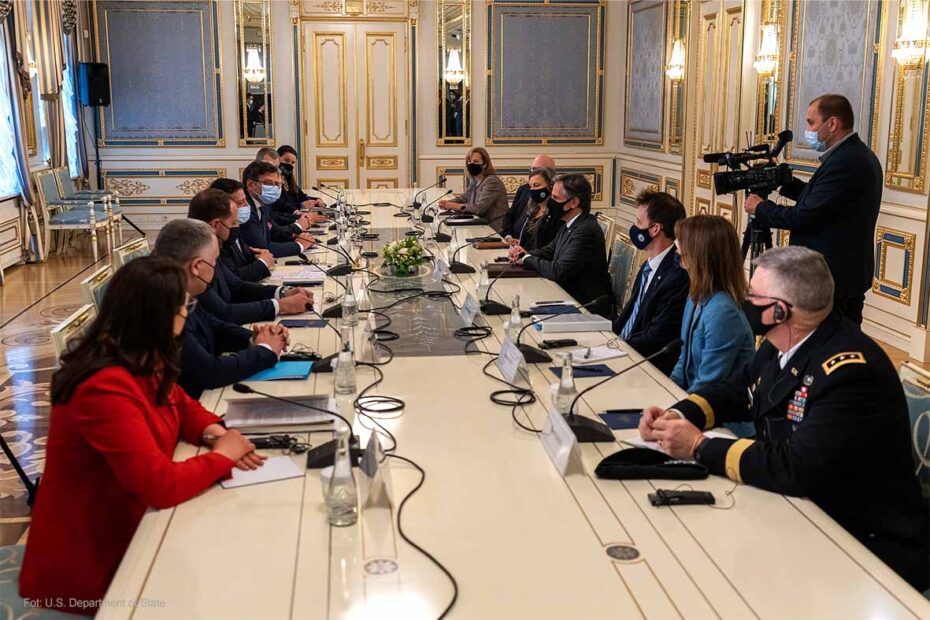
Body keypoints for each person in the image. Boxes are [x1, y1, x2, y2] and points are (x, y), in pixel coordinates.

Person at [642, 246, 929, 590]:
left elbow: (797, 467)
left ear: (779, 311)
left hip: (862, 542)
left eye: (753, 295)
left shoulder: (849, 372)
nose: (745, 300)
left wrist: (699, 447)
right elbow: (737, 390)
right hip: (799, 511)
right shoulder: (785, 340)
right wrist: (677, 414)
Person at [19, 257, 263, 614]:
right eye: (184, 306)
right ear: (160, 317)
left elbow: (182, 406)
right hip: (91, 564)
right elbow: (159, 485)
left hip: (130, 527)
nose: (187, 313)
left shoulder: (142, 356)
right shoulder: (102, 387)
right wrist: (223, 455)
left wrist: (213, 432)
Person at [744, 94, 882, 326]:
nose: (808, 130)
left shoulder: (845, 162)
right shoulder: (856, 154)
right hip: (843, 274)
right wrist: (784, 181)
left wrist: (761, 208)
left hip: (832, 278)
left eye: (811, 123)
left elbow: (804, 216)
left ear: (832, 123)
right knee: (840, 337)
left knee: (828, 339)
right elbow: (825, 202)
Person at [153, 219, 285, 398]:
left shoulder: (180, 288)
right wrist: (265, 350)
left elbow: (213, 326)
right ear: (196, 266)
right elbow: (209, 371)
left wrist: (255, 338)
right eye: (214, 262)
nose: (216, 269)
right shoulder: (161, 305)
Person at [188, 188, 313, 324]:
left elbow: (236, 286)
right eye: (234, 223)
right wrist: (280, 306)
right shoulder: (193, 260)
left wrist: (283, 292)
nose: (237, 227)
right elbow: (223, 313)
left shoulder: (210, 248)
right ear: (216, 225)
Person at [670, 215, 754, 393]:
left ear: (700, 254)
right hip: (690, 400)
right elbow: (684, 361)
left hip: (716, 407)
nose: (677, 251)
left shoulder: (723, 311)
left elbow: (708, 384)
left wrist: (674, 407)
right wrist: (666, 391)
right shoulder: (695, 296)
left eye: (682, 246)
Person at [509, 174, 613, 317]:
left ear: (573, 202)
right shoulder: (569, 222)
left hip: (585, 307)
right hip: (567, 297)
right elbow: (548, 251)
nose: (550, 202)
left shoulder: (586, 230)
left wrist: (527, 258)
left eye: (555, 198)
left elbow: (558, 271)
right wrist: (522, 253)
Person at [612, 190, 689, 375]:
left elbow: (657, 337)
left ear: (655, 229)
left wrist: (617, 348)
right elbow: (629, 314)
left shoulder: (677, 275)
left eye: (638, 222)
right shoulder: (648, 266)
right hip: (623, 351)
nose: (634, 227)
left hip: (645, 366)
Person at [241, 160, 315, 258]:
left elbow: (274, 232)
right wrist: (299, 246)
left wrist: (298, 238)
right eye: (269, 183)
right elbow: (262, 248)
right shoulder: (244, 209)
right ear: (251, 184)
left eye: (277, 184)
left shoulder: (263, 204)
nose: (275, 188)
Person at [210, 177, 276, 282]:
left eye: (246, 200)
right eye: (241, 203)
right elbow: (233, 280)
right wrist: (262, 263)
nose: (247, 205)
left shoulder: (236, 225)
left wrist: (259, 255)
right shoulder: (218, 237)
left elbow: (245, 257)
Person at [438, 147, 509, 230]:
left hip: (494, 228)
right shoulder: (475, 181)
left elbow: (479, 208)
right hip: (478, 224)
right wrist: (445, 203)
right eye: (469, 161)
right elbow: (462, 199)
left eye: (475, 161)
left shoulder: (492, 181)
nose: (471, 164)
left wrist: (451, 205)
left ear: (485, 164)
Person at [501, 154, 556, 241]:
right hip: (513, 241)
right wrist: (508, 236)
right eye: (533, 169)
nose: (535, 172)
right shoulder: (524, 189)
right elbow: (510, 215)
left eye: (539, 170)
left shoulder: (556, 203)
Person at [277, 144, 326, 213]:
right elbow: (279, 205)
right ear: (277, 159)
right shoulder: (274, 181)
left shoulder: (288, 178)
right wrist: (301, 205)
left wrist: (316, 200)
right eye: (286, 160)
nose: (289, 164)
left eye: (292, 162)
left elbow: (300, 196)